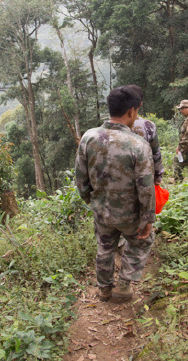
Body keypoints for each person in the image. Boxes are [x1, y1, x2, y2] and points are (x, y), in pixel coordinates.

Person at [75, 87, 156, 302]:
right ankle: (123, 284)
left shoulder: (88, 138)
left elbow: (80, 180)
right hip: (130, 214)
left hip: (101, 210)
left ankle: (104, 289)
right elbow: (146, 188)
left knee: (105, 246)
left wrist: (93, 201)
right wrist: (148, 219)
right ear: (131, 112)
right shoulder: (139, 145)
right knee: (142, 241)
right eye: (137, 111)